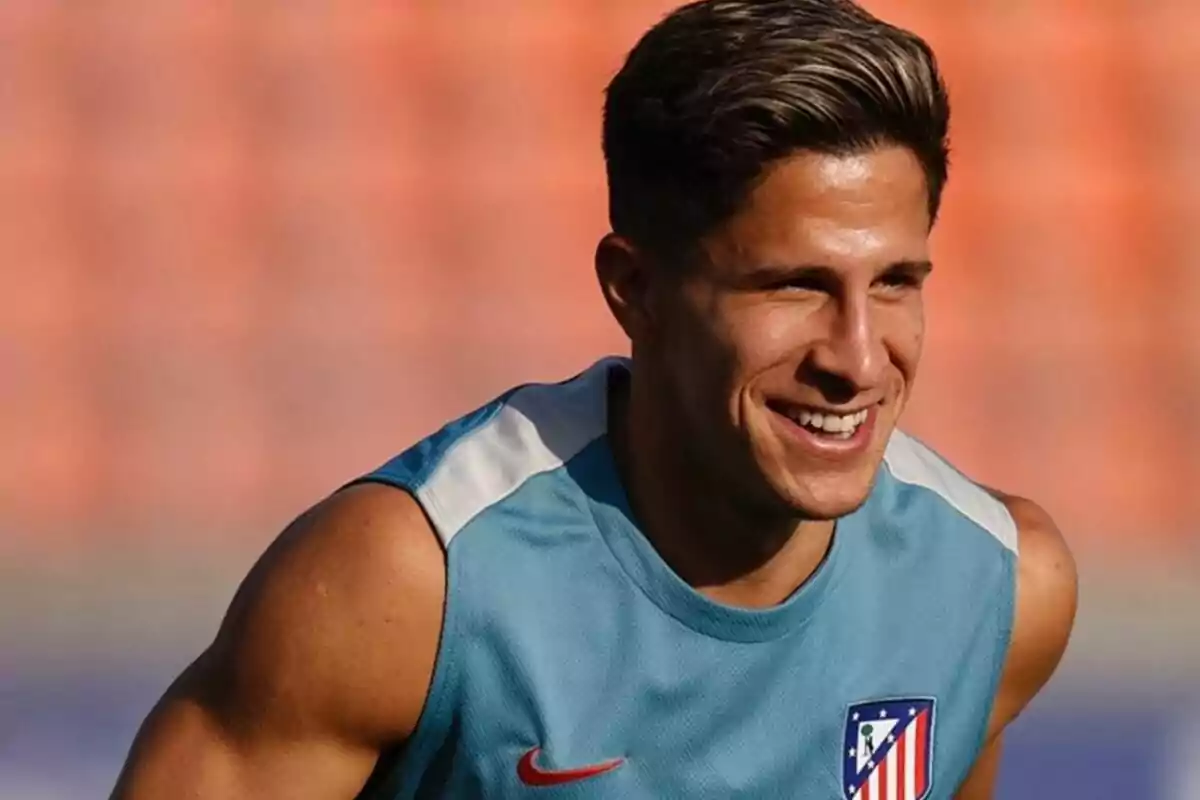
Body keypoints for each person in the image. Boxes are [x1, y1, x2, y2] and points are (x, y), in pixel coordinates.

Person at [110, 1, 1077, 798]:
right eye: (794, 286)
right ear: (635, 289)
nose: (859, 359)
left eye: (898, 283)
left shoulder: (996, 588)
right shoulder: (408, 585)